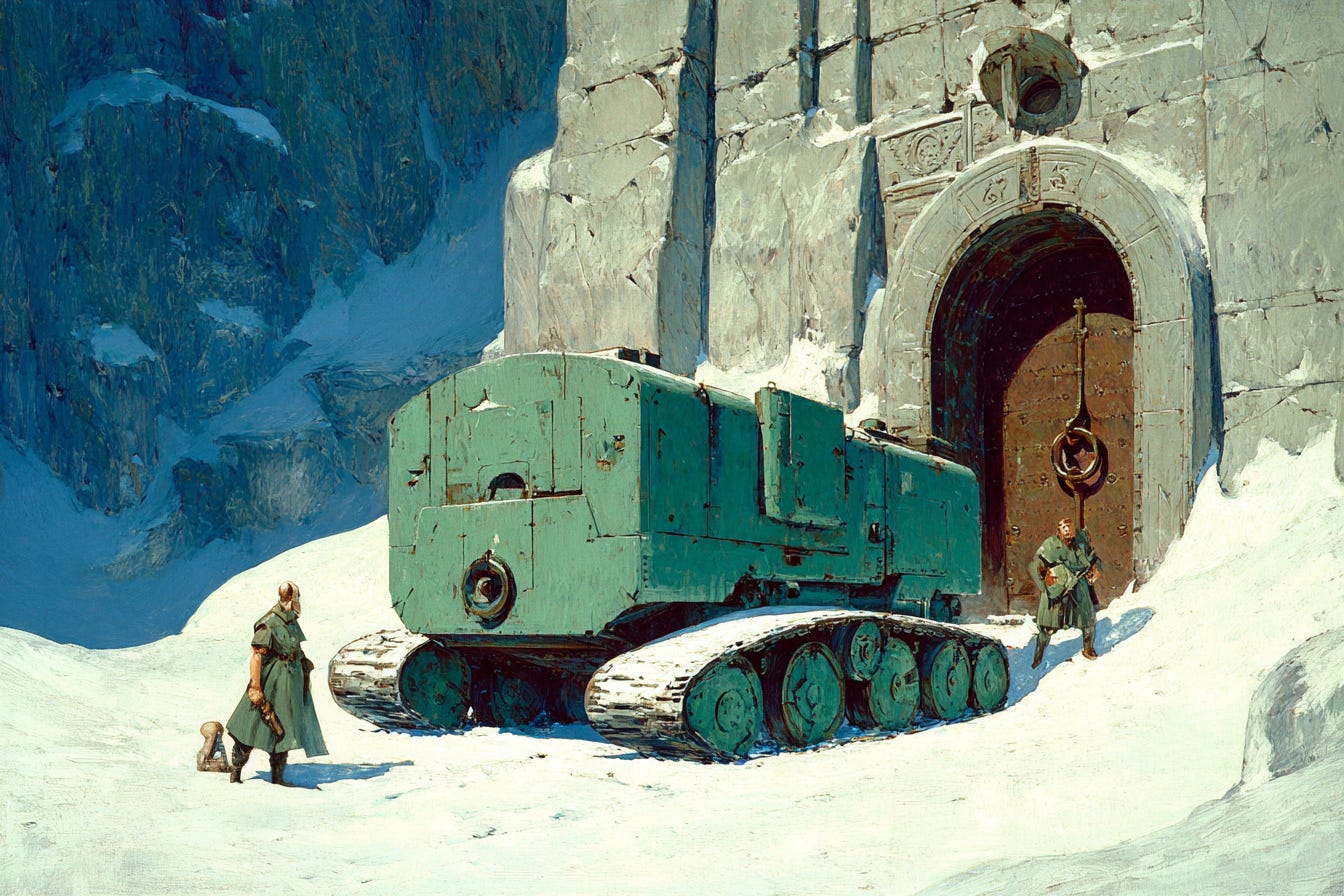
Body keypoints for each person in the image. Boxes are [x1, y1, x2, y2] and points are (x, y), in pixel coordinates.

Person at [226, 581, 327, 785]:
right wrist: (255, 687)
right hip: (272, 682)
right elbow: (257, 655)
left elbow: (294, 645)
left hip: (290, 684)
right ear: (288, 598)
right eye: (296, 597)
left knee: (285, 729)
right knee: (252, 728)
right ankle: (235, 774)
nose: (298, 602)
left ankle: (278, 778)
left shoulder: (291, 620)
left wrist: (303, 662)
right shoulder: (269, 622)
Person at [1027, 517, 1101, 668]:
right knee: (1047, 627)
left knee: (1088, 620)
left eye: (1070, 529)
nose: (1068, 532)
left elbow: (1094, 559)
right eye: (1064, 529)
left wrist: (1096, 569)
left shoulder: (1082, 540)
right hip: (1057, 589)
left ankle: (1088, 649)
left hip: (1078, 584)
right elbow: (1034, 566)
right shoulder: (1050, 545)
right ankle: (1038, 656)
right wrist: (1045, 585)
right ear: (1058, 532)